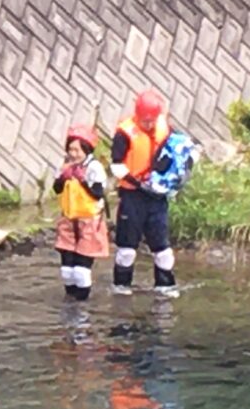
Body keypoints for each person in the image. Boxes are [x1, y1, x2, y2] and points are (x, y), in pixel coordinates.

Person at [110, 91, 196, 292]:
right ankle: (121, 287)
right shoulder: (124, 133)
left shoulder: (164, 128)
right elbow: (117, 165)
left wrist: (183, 173)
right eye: (144, 120)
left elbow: (181, 150)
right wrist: (138, 183)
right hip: (132, 194)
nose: (148, 124)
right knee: (127, 248)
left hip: (157, 196)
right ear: (137, 115)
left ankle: (165, 286)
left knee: (162, 247)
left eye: (151, 120)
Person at [53, 124, 111, 300]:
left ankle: (82, 304)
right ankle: (70, 298)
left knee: (80, 271)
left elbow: (99, 193)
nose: (73, 154)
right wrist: (63, 177)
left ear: (86, 150)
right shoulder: (65, 166)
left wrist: (84, 181)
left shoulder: (94, 168)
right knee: (67, 271)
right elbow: (57, 189)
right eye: (70, 149)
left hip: (89, 221)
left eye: (77, 150)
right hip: (69, 221)